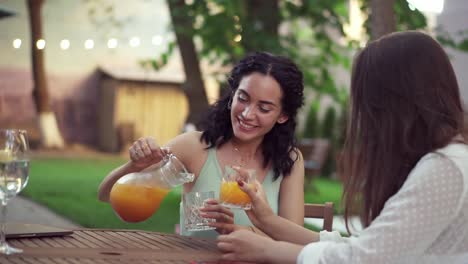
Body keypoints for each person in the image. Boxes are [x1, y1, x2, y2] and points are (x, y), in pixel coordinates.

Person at [214, 31, 468, 263]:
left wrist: (266, 250)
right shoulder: (446, 161)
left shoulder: (445, 168)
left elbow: (362, 258)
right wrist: (267, 221)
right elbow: (369, 246)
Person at [97, 51, 306, 238]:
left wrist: (235, 230)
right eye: (243, 98)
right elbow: (106, 195)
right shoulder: (194, 146)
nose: (247, 114)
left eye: (264, 108)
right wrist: (135, 166)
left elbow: (293, 240)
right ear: (232, 95)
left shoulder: (289, 160)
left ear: (283, 115)